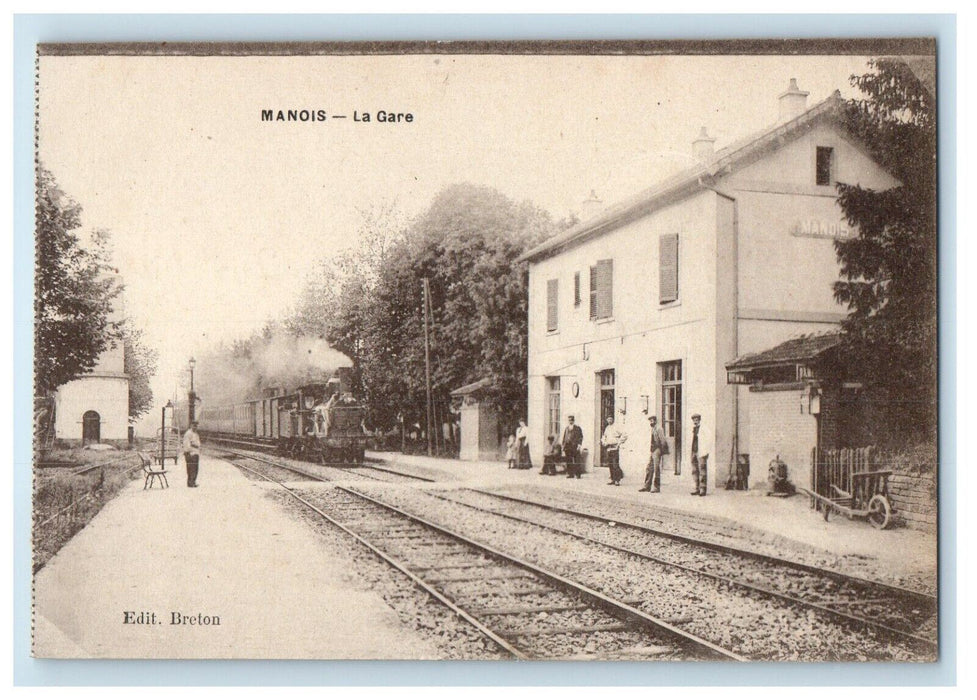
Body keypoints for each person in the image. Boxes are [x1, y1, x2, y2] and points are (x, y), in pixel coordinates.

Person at [640, 414, 668, 492]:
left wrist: (661, 451)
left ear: (655, 421)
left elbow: (663, 440)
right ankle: (647, 486)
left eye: (652, 420)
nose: (651, 422)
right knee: (649, 468)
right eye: (650, 421)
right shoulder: (652, 429)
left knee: (656, 469)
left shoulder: (659, 429)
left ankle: (656, 487)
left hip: (657, 449)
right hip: (652, 450)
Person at [600, 415, 627, 485]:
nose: (609, 421)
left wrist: (619, 443)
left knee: (615, 464)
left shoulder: (617, 427)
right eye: (608, 419)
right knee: (610, 464)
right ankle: (613, 479)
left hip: (614, 448)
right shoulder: (607, 428)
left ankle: (617, 480)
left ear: (613, 420)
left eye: (610, 419)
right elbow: (604, 436)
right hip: (608, 448)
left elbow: (624, 435)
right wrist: (603, 442)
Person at [689, 413, 708, 496]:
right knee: (694, 470)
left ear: (699, 419)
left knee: (702, 470)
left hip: (701, 452)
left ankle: (703, 489)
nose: (695, 421)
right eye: (694, 419)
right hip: (693, 451)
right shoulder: (693, 428)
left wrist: (706, 451)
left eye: (696, 419)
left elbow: (708, 440)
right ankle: (697, 488)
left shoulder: (704, 429)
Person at [561, 415, 584, 479]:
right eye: (569, 420)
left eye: (571, 420)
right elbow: (564, 438)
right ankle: (570, 474)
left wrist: (579, 445)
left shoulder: (577, 428)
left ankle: (578, 474)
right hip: (568, 447)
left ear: (573, 420)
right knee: (569, 460)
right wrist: (563, 446)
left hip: (575, 446)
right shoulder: (567, 428)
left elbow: (580, 437)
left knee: (577, 460)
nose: (570, 421)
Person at [182, 421, 201, 488]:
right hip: (191, 453)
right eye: (194, 425)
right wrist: (189, 452)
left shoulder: (196, 434)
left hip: (195, 453)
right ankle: (190, 483)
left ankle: (193, 482)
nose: (195, 427)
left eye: (196, 426)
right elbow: (187, 445)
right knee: (191, 469)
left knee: (195, 469)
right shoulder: (188, 434)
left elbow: (198, 443)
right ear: (191, 425)